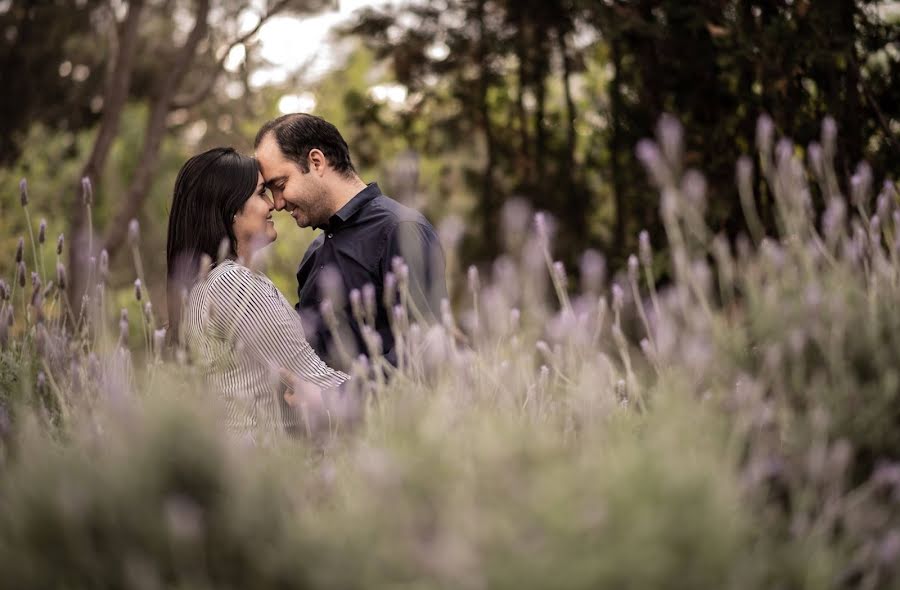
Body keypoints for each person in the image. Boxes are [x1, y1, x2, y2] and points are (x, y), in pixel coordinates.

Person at [166, 147, 349, 441]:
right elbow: (314, 378)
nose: (274, 205)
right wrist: (403, 392)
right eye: (261, 193)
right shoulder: (234, 284)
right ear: (230, 210)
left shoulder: (205, 285)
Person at [254, 113, 448, 371]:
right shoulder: (314, 253)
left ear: (316, 162)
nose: (277, 203)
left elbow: (427, 348)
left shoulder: (401, 230)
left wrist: (338, 394)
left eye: (281, 184)